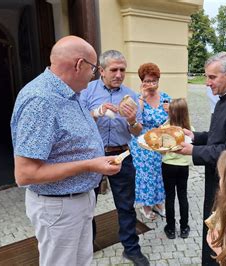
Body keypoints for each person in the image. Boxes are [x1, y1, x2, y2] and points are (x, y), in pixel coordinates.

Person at [10, 36, 122, 266]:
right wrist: (91, 165)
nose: (94, 75)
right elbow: (25, 174)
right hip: (58, 206)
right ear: (79, 64)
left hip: (78, 199)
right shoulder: (41, 100)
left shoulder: (72, 93)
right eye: (93, 68)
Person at [177, 52, 226, 265]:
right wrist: (194, 136)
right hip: (216, 178)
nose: (207, 83)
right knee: (212, 227)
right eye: (206, 77)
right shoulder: (224, 99)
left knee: (222, 233)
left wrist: (191, 151)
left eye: (212, 77)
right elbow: (217, 137)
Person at [79, 50, 149, 265]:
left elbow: (138, 132)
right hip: (92, 155)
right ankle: (86, 247)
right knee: (86, 205)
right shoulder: (87, 91)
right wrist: (96, 112)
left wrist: (131, 120)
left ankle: (131, 249)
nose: (119, 74)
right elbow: (77, 122)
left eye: (122, 70)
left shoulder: (132, 96)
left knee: (126, 205)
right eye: (114, 70)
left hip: (121, 154)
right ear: (101, 70)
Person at [129, 62, 170, 220]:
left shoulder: (165, 98)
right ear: (142, 81)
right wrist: (142, 97)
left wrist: (170, 113)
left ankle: (159, 203)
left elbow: (171, 120)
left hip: (159, 141)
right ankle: (146, 206)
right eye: (147, 81)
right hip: (142, 142)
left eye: (154, 80)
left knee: (160, 173)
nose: (151, 84)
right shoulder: (138, 98)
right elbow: (135, 117)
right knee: (145, 175)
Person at [161, 98, 193, 239]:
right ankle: (184, 227)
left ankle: (171, 228)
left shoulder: (165, 128)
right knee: (182, 196)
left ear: (171, 113)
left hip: (168, 165)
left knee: (169, 197)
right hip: (183, 167)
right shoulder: (189, 130)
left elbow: (161, 150)